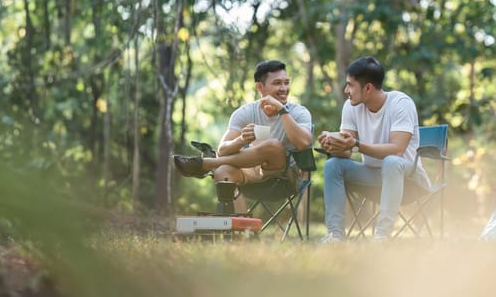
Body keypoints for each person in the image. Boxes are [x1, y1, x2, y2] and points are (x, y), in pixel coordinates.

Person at [174, 60, 313, 210]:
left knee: (272, 145)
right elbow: (223, 150)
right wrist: (241, 140)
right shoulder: (245, 113)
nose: (284, 88)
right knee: (223, 172)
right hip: (252, 172)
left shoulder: (299, 112)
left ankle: (207, 164)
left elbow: (303, 143)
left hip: (285, 179)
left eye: (286, 83)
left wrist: (282, 110)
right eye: (277, 83)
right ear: (260, 87)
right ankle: (242, 231)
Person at [318, 56, 430, 242]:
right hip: (371, 178)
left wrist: (355, 145)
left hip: (408, 180)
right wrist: (333, 144)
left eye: (350, 85)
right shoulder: (351, 106)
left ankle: (382, 236)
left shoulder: (401, 103)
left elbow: (397, 150)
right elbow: (347, 150)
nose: (346, 90)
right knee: (333, 165)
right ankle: (335, 235)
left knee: (392, 162)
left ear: (368, 88)